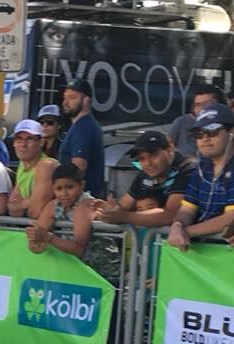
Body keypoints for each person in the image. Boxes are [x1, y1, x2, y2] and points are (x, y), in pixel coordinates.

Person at [94, 130, 195, 228]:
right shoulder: (147, 173)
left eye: (154, 155)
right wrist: (107, 212)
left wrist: (124, 216)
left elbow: (170, 215)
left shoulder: (187, 169)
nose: (148, 163)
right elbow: (123, 205)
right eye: (141, 158)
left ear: (169, 149)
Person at [168, 103, 234, 252]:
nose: (205, 138)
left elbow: (230, 218)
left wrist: (185, 232)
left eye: (212, 131)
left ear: (231, 131)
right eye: (199, 133)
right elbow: (187, 210)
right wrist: (177, 225)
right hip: (202, 252)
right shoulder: (201, 168)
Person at [26, 163, 102, 271]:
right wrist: (35, 238)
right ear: (53, 188)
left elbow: (79, 250)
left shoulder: (86, 205)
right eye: (59, 188)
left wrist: (47, 237)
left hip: (99, 270)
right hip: (72, 269)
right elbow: (36, 246)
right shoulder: (53, 205)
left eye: (70, 187)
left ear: (82, 185)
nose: (64, 193)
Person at [59, 78, 105, 197]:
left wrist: (66, 195)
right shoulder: (81, 126)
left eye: (72, 98)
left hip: (81, 199)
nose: (65, 103)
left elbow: (78, 167)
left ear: (86, 100)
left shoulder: (84, 127)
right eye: (65, 97)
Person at [7, 119, 58, 219]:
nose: (23, 145)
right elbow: (12, 209)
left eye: (29, 139)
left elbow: (36, 212)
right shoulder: (23, 164)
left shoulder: (46, 166)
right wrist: (28, 203)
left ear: (41, 142)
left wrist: (22, 204)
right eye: (19, 139)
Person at [169, 85, 226, 159]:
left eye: (208, 104)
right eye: (198, 105)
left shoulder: (227, 124)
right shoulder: (181, 122)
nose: (202, 108)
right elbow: (169, 146)